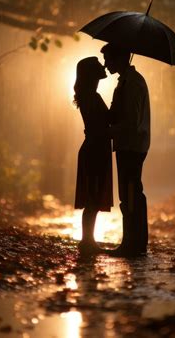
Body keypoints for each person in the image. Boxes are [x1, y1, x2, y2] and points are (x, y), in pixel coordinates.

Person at [101, 43, 150, 257]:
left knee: (130, 194)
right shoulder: (125, 83)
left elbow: (130, 122)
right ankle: (135, 242)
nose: (106, 64)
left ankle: (133, 243)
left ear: (120, 58)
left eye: (108, 59)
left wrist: (107, 132)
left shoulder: (132, 84)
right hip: (129, 145)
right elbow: (117, 114)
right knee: (131, 193)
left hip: (131, 145)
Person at [73, 56, 113, 254]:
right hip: (95, 150)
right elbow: (105, 122)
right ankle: (87, 241)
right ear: (91, 73)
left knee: (93, 199)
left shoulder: (89, 96)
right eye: (99, 65)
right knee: (92, 199)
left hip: (94, 148)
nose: (103, 66)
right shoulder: (92, 97)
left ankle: (88, 240)